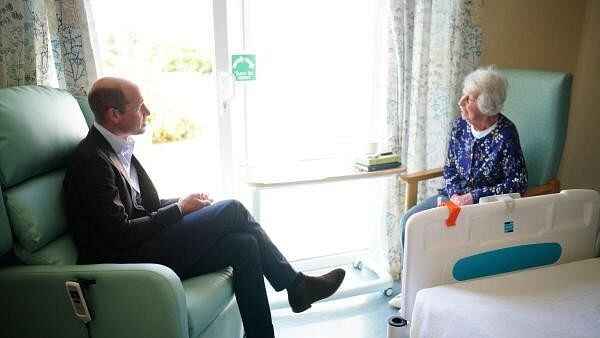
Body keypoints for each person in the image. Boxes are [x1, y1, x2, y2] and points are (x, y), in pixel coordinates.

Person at [63, 77, 346, 338]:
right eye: (139, 107)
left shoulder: (117, 147)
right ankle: (297, 286)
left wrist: (183, 202)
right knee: (233, 209)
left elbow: (142, 207)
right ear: (114, 115)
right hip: (130, 264)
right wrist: (179, 210)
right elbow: (119, 233)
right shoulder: (92, 161)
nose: (147, 111)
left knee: (244, 244)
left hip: (144, 245)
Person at [389, 66, 527, 308]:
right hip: (452, 199)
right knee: (410, 222)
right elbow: (450, 167)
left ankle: (443, 290)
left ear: (487, 105)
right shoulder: (459, 127)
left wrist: (473, 197)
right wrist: (453, 194)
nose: (460, 102)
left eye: (469, 98)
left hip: (485, 207)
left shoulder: (506, 134)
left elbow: (518, 182)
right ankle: (410, 289)